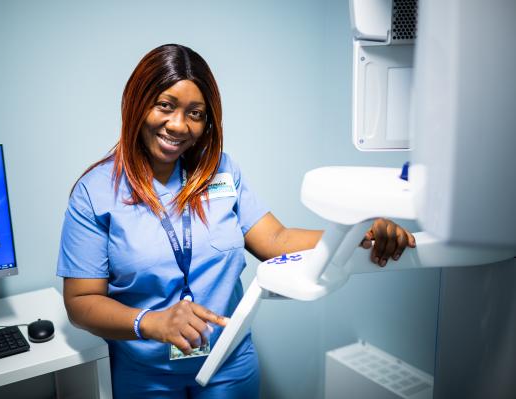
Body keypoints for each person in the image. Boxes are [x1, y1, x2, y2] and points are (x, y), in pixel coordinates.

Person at [56, 43, 416, 399]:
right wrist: (152, 323)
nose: (178, 125)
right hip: (145, 374)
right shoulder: (95, 192)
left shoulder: (221, 172)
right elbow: (82, 301)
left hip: (230, 365)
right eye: (165, 106)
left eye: (195, 113)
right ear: (137, 103)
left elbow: (275, 239)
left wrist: (359, 229)